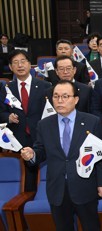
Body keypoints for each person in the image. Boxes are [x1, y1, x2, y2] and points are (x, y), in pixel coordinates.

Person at [20, 80, 102, 231]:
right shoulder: (44, 124)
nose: (60, 100)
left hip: (85, 187)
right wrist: (32, 155)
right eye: (56, 96)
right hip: (57, 189)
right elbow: (40, 151)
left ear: (76, 99)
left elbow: (100, 154)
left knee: (91, 227)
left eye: (65, 96)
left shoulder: (91, 122)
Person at [0, 50, 52, 192]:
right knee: (25, 179)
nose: (20, 65)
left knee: (43, 176)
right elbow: (1, 112)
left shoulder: (45, 86)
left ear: (30, 65)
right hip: (18, 138)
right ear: (10, 67)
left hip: (40, 137)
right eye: (15, 63)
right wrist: (8, 117)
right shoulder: (5, 88)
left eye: (23, 61)